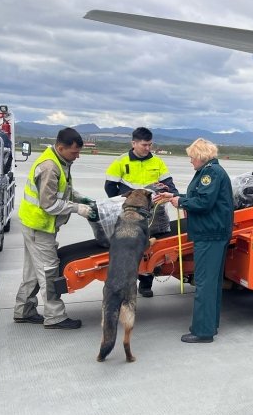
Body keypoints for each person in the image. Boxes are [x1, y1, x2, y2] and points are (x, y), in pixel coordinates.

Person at [14, 128, 98, 329]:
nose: (77, 157)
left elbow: (62, 190)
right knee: (49, 271)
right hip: (39, 226)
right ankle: (55, 316)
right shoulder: (50, 166)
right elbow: (49, 204)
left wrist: (78, 197)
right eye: (74, 153)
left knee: (33, 272)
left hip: (34, 225)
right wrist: (79, 208)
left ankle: (23, 310)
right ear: (61, 147)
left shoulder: (60, 160)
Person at [154, 138, 233, 343]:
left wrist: (181, 201)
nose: (190, 161)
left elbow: (204, 202)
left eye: (191, 157)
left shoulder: (211, 173)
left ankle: (203, 331)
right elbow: (199, 197)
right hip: (211, 233)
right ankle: (208, 324)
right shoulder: (208, 172)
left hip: (210, 234)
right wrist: (174, 195)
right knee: (211, 283)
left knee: (205, 283)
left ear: (200, 156)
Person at [104, 126, 178, 297]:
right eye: (144, 145)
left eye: (150, 145)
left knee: (153, 246)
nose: (147, 148)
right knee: (131, 247)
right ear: (134, 143)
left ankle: (146, 284)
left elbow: (169, 184)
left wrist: (174, 195)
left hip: (154, 214)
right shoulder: (121, 161)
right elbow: (109, 187)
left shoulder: (157, 162)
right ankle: (129, 281)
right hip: (130, 213)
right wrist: (121, 203)